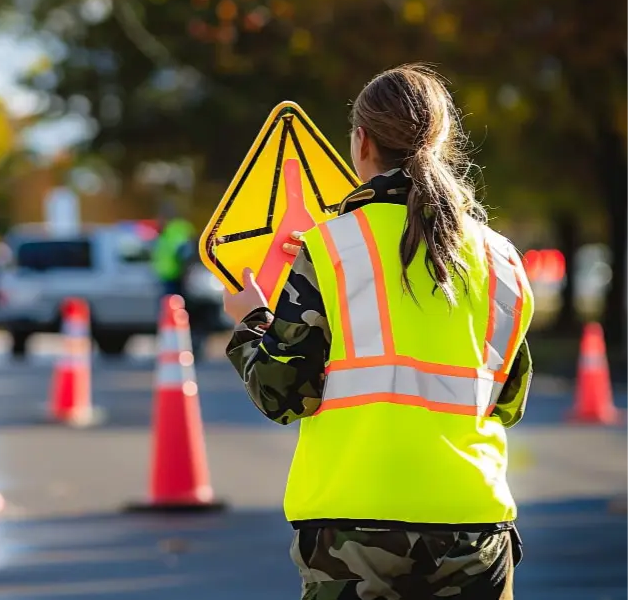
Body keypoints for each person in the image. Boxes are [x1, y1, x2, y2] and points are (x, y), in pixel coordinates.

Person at [222, 64, 534, 601]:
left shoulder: (329, 250)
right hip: (475, 531)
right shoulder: (501, 259)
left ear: (361, 142)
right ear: (442, 143)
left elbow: (283, 393)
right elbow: (507, 402)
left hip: (355, 534)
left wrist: (253, 320)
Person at [152, 206, 196, 297]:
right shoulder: (170, 229)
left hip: (174, 273)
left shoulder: (176, 229)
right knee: (172, 301)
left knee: (172, 301)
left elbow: (183, 250)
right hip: (168, 273)